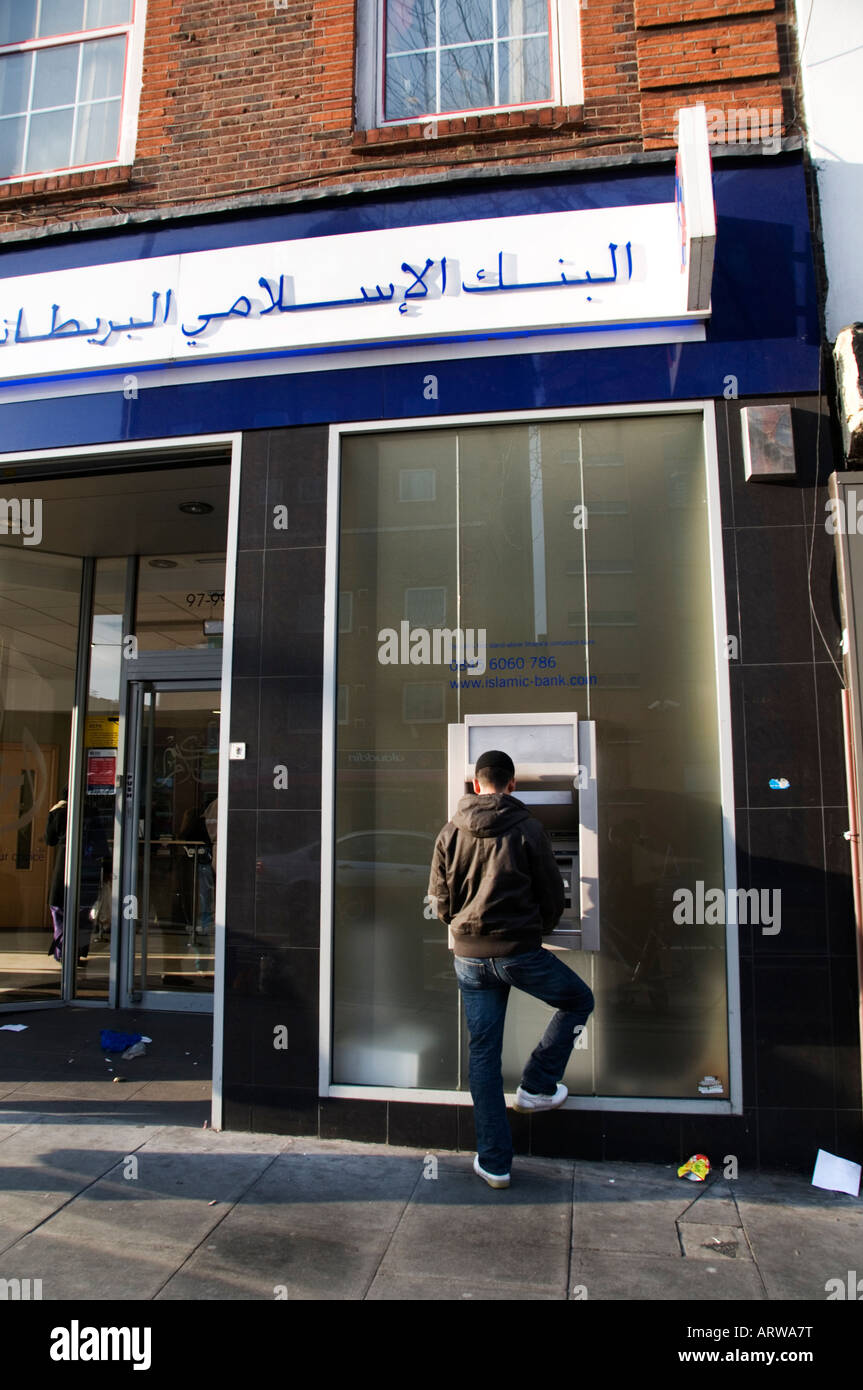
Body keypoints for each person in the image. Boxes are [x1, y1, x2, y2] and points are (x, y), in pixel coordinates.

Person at [428, 749, 595, 1189]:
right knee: (578, 999)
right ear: (512, 784)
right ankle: (537, 1086)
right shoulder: (529, 828)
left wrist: (464, 930)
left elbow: (440, 901)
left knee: (483, 1055)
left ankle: (495, 1163)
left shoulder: (450, 831)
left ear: (475, 783)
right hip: (520, 952)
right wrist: (535, 928)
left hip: (470, 958)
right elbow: (553, 895)